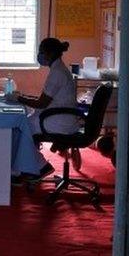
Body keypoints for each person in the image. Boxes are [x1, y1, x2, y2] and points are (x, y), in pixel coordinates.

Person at [10, 37, 79, 177]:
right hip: (57, 116)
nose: (39, 56)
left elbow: (42, 103)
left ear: (50, 54)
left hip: (59, 121)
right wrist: (22, 96)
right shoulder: (58, 69)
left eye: (41, 52)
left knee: (20, 127)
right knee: (24, 124)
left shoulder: (57, 73)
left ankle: (40, 167)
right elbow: (44, 99)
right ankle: (27, 167)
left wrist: (19, 98)